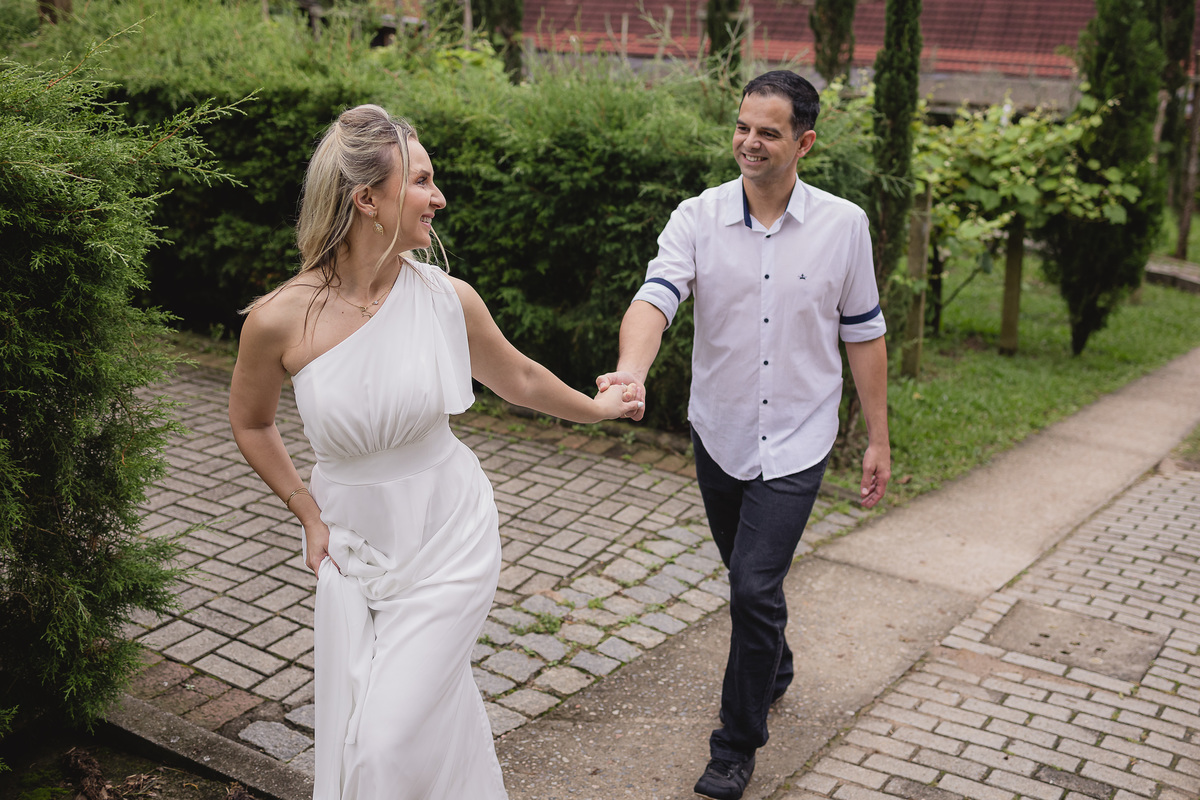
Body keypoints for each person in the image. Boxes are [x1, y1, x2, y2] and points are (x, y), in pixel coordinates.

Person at [228, 104, 642, 800]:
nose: (439, 197)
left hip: (449, 536)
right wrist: (306, 512)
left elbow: (519, 378)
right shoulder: (277, 319)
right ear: (368, 199)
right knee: (394, 721)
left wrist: (597, 408)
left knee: (383, 745)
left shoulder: (448, 299)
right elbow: (250, 423)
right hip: (355, 547)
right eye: (421, 181)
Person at [597, 71, 891, 800]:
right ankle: (775, 663)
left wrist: (878, 439)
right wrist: (631, 372)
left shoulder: (844, 226)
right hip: (720, 433)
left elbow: (864, 333)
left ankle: (734, 747)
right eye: (742, 127)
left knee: (753, 586)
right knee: (749, 581)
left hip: (799, 437)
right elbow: (655, 298)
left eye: (768, 132)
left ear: (804, 143)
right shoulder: (697, 217)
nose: (749, 142)